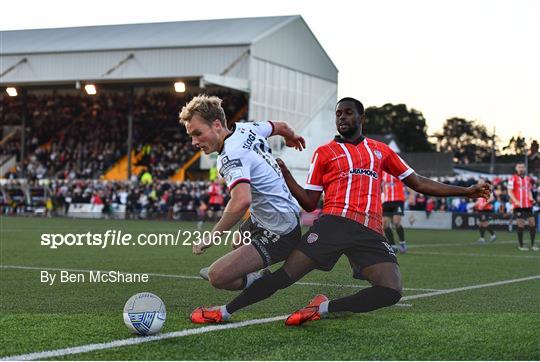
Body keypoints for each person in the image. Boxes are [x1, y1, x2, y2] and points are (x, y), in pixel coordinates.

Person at [190, 97, 491, 325]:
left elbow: (419, 182)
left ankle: (321, 307)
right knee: (285, 277)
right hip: (333, 224)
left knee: (391, 290)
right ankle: (225, 312)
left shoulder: (381, 150)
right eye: (337, 114)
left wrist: (465, 191)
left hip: (371, 229)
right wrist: (287, 175)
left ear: (361, 116)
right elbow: (310, 203)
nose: (342, 118)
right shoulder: (325, 153)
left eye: (348, 112)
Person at [179, 94, 306, 300]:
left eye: (198, 133)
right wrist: (290, 137)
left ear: (217, 125)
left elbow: (241, 201)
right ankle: (256, 273)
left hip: (280, 230)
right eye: (191, 136)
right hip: (274, 215)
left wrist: (211, 237)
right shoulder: (246, 128)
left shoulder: (230, 155)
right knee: (238, 240)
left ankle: (259, 282)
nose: (194, 141)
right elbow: (280, 126)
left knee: (217, 276)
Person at [508, 162, 537, 251]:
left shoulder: (528, 179)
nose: (521, 168)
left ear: (524, 169)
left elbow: (528, 191)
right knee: (521, 225)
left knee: (532, 223)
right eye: (519, 167)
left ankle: (533, 244)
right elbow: (510, 191)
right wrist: (515, 201)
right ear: (516, 169)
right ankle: (521, 245)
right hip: (518, 206)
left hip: (528, 205)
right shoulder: (512, 178)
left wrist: (531, 198)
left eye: (522, 167)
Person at [381, 171, 407, 253]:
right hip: (387, 201)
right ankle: (393, 246)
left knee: (396, 222)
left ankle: (402, 243)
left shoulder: (397, 170)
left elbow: (408, 181)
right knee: (385, 225)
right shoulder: (382, 172)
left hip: (398, 200)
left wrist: (411, 195)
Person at [474, 178, 496, 244]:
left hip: (486, 209)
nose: (479, 182)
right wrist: (474, 205)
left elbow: (492, 198)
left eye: (481, 181)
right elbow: (479, 200)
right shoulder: (478, 190)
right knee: (480, 224)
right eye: (479, 181)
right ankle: (482, 238)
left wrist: (485, 203)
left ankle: (493, 235)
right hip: (480, 209)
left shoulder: (487, 189)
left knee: (484, 224)